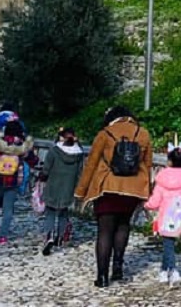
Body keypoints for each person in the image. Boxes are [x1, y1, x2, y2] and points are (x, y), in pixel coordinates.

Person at [75, 105, 153, 287]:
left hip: (107, 188)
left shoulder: (105, 134)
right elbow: (147, 165)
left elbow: (91, 165)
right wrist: (146, 191)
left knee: (104, 231)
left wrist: (81, 191)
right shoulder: (143, 133)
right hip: (132, 190)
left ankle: (102, 276)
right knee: (123, 225)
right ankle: (118, 267)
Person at [144, 144, 181, 285]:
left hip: (165, 218)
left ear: (169, 161)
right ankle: (164, 271)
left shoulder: (161, 180)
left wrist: (146, 204)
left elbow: (155, 201)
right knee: (169, 244)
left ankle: (172, 271)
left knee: (168, 245)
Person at [0, 118, 35, 244]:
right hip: (13, 180)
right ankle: (3, 236)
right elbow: (32, 160)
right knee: (8, 208)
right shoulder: (22, 146)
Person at [38, 127, 85, 255]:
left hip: (53, 184)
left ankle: (49, 236)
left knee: (50, 212)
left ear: (61, 137)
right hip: (69, 186)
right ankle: (59, 237)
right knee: (63, 212)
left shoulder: (54, 151)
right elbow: (81, 172)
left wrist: (42, 176)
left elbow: (46, 169)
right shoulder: (79, 153)